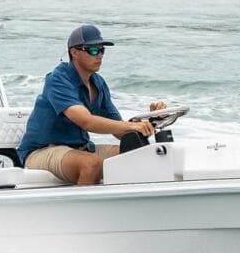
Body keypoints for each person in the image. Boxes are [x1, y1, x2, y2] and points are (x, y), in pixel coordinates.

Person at [17, 23, 165, 185]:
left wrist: (150, 120)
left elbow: (120, 131)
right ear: (74, 52)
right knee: (91, 164)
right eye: (93, 50)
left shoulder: (98, 83)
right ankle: (78, 210)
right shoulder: (58, 79)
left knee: (138, 155)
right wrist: (131, 127)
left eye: (102, 50)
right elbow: (85, 121)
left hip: (80, 148)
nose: (99, 55)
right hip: (41, 151)